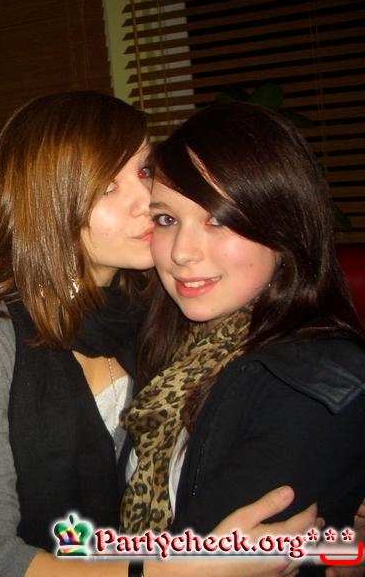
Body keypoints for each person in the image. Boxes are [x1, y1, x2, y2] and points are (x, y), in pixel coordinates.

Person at [0, 90, 315, 577]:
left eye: (143, 171)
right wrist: (176, 571)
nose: (147, 201)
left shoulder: (163, 309)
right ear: (46, 203)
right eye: (107, 187)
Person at [123, 102, 365, 572]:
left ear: (284, 229)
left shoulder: (311, 387)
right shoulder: (180, 348)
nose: (182, 253)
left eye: (219, 219)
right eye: (167, 220)